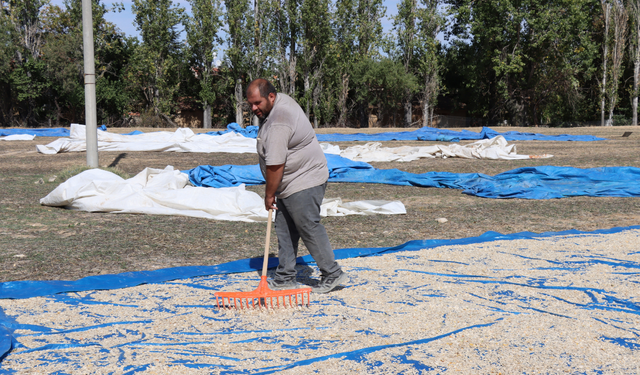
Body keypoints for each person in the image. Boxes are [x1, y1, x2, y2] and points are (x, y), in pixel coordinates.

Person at [246, 78, 347, 294]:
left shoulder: (278, 122)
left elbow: (275, 165)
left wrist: (269, 195)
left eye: (257, 103)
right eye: (250, 104)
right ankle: (285, 277)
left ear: (271, 97)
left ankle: (332, 273)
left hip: (304, 178)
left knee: (307, 225)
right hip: (289, 181)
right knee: (284, 227)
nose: (254, 108)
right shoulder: (277, 103)